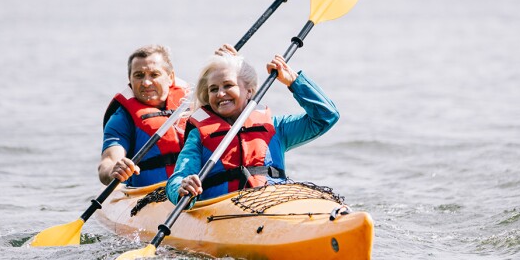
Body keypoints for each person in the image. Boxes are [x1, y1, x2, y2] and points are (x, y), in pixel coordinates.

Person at [165, 45, 339, 204]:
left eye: (228, 85)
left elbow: (326, 116)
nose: (220, 93)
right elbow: (178, 177)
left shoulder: (275, 127)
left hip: (274, 205)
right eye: (213, 89)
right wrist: (182, 188)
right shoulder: (199, 135)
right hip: (221, 213)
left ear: (249, 90)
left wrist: (293, 81)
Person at [98, 44, 189, 187]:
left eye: (154, 75)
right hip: (149, 196)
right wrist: (113, 171)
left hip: (195, 190)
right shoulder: (121, 118)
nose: (146, 83)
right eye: (139, 75)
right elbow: (107, 162)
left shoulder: (192, 104)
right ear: (130, 79)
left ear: (170, 77)